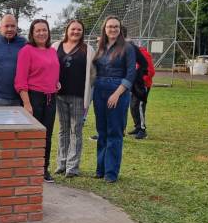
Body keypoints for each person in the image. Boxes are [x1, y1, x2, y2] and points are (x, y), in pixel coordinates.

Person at [92, 15, 136, 183]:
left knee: (114, 132)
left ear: (120, 29)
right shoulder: (101, 47)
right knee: (102, 132)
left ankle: (111, 172)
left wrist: (117, 94)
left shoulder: (127, 48)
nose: (113, 29)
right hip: (100, 91)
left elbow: (131, 73)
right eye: (110, 27)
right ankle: (100, 169)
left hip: (117, 92)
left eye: (116, 27)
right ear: (104, 28)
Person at [15, 19, 60, 183]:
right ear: (32, 33)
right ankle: (28, 169)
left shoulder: (52, 51)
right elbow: (20, 80)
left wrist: (56, 82)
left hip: (51, 98)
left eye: (44, 30)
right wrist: (27, 103)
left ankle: (43, 168)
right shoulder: (26, 51)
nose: (42, 33)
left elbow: (52, 71)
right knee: (32, 136)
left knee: (46, 136)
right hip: (33, 98)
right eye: (38, 30)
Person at [52, 20, 95, 178]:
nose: (76, 32)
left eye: (79, 29)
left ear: (82, 32)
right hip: (60, 95)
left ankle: (72, 167)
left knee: (75, 130)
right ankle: (61, 163)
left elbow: (92, 74)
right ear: (67, 30)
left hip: (78, 96)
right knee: (63, 130)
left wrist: (87, 93)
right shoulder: (56, 46)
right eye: (73, 29)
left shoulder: (88, 49)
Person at [0, 14, 27, 106]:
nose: (10, 29)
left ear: (16, 27)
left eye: (13, 26)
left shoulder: (24, 43)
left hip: (19, 97)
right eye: (6, 26)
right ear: (0, 27)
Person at [128, 42, 155, 139]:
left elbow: (151, 71)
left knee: (139, 106)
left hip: (142, 85)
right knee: (133, 106)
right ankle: (138, 127)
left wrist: (141, 81)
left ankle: (143, 130)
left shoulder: (143, 54)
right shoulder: (131, 54)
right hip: (134, 85)